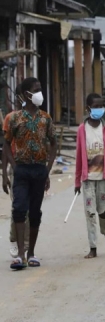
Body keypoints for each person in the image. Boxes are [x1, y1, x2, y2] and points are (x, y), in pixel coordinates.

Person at [4, 77, 57, 270]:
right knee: (19, 209)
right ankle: (20, 255)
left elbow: (53, 144)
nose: (39, 93)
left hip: (39, 170)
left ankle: (32, 253)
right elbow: (6, 144)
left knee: (35, 212)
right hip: (22, 169)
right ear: (27, 94)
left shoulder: (46, 118)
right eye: (36, 90)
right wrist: (10, 168)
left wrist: (47, 169)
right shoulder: (15, 118)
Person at [75, 93, 105, 259]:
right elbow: (79, 156)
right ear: (88, 108)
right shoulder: (82, 130)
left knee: (102, 211)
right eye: (95, 106)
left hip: (103, 178)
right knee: (90, 212)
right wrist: (77, 180)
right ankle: (93, 247)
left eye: (101, 106)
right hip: (88, 179)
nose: (99, 109)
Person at [2, 84, 30, 259]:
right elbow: (5, 147)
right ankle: (16, 240)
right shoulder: (10, 118)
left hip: (33, 169)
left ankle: (25, 246)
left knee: (30, 209)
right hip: (17, 169)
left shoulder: (38, 119)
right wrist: (5, 173)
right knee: (19, 208)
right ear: (21, 97)